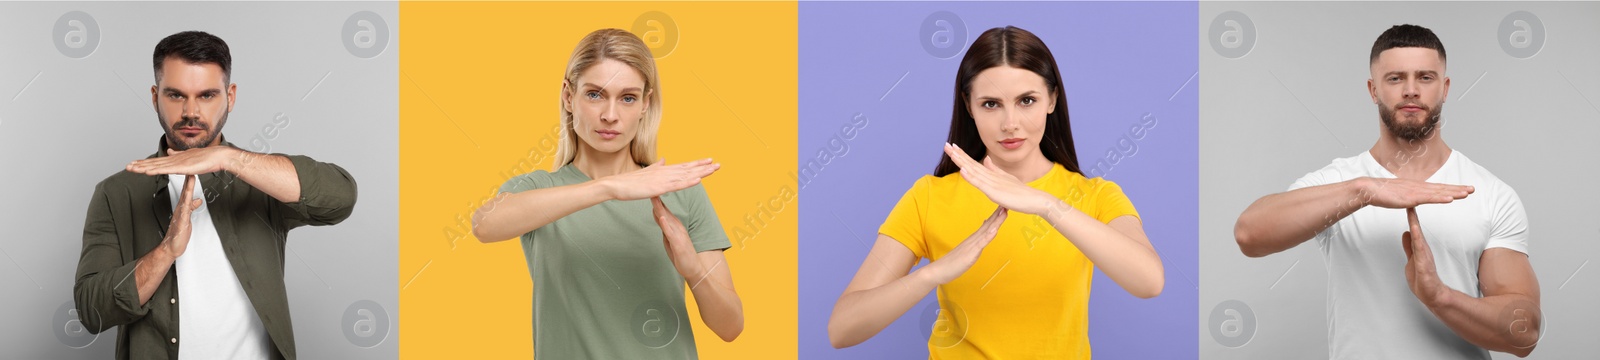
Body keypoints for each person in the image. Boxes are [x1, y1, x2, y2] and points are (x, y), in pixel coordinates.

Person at [827, 26, 1165, 358]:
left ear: (1052, 99)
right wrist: (933, 273)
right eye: (991, 104)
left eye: (1027, 101)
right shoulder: (930, 196)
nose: (1010, 123)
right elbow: (842, 330)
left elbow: (1149, 282)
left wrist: (1046, 204)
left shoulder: (1094, 195)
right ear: (969, 106)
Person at [1233, 24, 1540, 358]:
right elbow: (1250, 235)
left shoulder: (1489, 193)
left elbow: (1524, 333)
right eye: (1395, 78)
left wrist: (1440, 296)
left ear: (1445, 87)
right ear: (1373, 90)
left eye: (1425, 77)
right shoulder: (1340, 183)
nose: (1410, 90)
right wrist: (1365, 190)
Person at [72, 30, 359, 360]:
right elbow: (91, 311)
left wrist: (228, 158)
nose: (191, 112)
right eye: (176, 95)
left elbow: (341, 196)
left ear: (230, 97)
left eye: (207, 95)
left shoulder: (259, 178)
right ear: (155, 97)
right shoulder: (116, 192)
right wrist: (165, 252)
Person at [470, 28, 742, 359]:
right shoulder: (537, 190)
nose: (610, 115)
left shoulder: (680, 192)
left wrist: (693, 271)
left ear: (645, 104)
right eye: (595, 94)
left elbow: (731, 327)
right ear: (569, 97)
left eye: (628, 98)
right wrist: (609, 187)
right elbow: (485, 225)